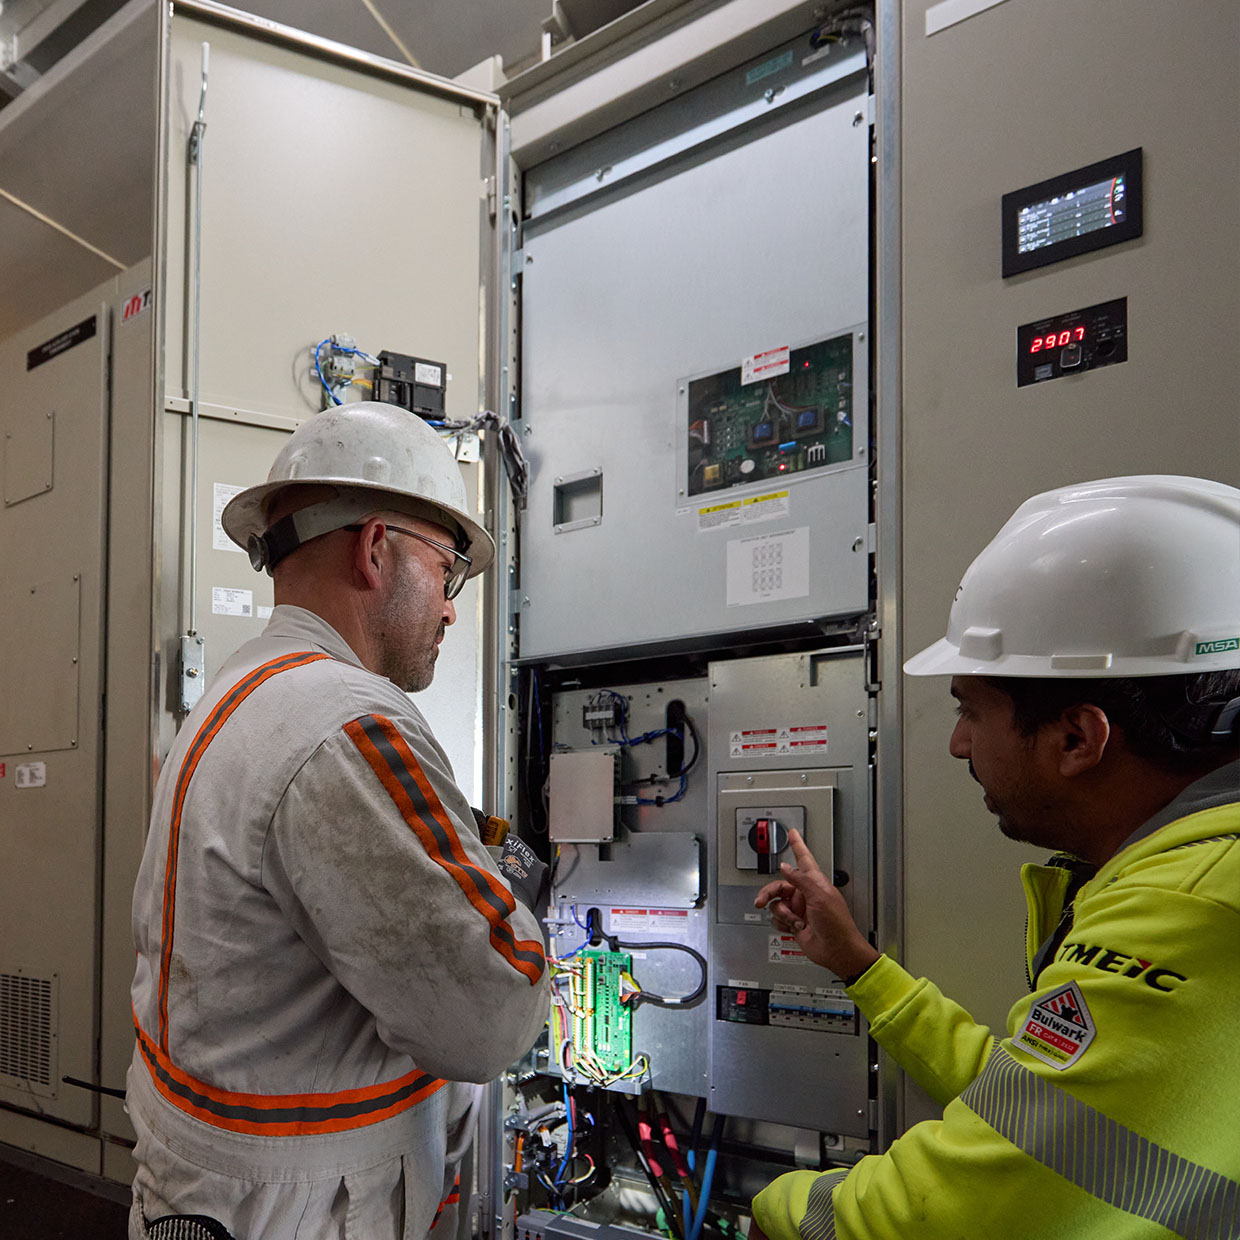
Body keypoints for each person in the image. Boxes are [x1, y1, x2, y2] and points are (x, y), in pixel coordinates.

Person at [750, 475, 1240, 1240]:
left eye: (971, 709)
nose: (956, 743)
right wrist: (861, 968)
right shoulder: (1194, 870)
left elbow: (936, 1220)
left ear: (1078, 737)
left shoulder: (1190, 909)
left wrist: (769, 1207)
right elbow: (1045, 1114)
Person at [127, 401, 549, 1240]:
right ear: (374, 549)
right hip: (305, 1211)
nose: (451, 608)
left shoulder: (232, 700)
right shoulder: (348, 720)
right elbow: (490, 1013)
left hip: (212, 1193)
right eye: (447, 571)